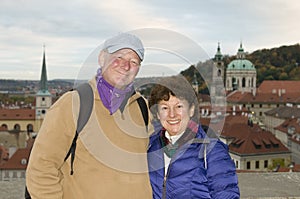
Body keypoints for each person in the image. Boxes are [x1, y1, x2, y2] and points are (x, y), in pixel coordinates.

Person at [26, 33, 153, 199]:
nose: (126, 66)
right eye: (119, 57)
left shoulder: (141, 107)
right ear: (102, 58)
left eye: (134, 61)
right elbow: (41, 169)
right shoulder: (72, 104)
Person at [147, 75, 240, 199]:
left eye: (179, 106)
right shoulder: (150, 146)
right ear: (158, 114)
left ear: (191, 110)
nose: (172, 114)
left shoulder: (211, 149)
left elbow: (226, 195)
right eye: (165, 108)